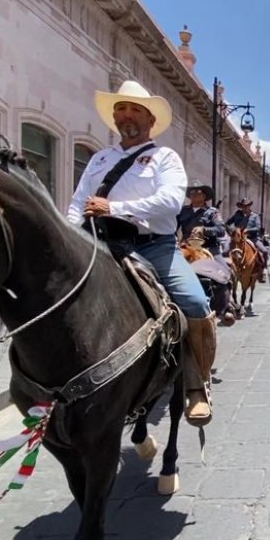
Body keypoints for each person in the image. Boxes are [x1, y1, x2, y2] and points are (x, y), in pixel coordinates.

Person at [66, 80, 215, 426]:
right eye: (121, 108)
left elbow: (170, 202)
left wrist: (113, 208)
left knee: (194, 302)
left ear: (150, 119)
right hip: (102, 244)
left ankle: (196, 384)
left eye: (135, 109)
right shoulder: (100, 159)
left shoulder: (165, 158)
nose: (127, 115)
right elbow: (79, 200)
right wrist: (73, 231)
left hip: (155, 247)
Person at [177, 181, 227, 258]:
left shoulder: (212, 212)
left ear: (204, 196)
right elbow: (172, 227)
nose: (194, 194)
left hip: (208, 248)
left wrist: (203, 230)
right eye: (192, 192)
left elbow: (221, 230)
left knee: (223, 268)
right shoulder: (183, 210)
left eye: (198, 192)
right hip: (186, 246)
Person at [226, 198, 267, 282]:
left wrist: (248, 230)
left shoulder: (255, 216)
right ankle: (226, 271)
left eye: (246, 206)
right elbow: (227, 223)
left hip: (252, 238)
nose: (245, 208)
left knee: (264, 251)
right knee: (225, 250)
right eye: (243, 206)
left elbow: (258, 227)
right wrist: (233, 231)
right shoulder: (237, 214)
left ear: (249, 206)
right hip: (238, 239)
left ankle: (263, 270)